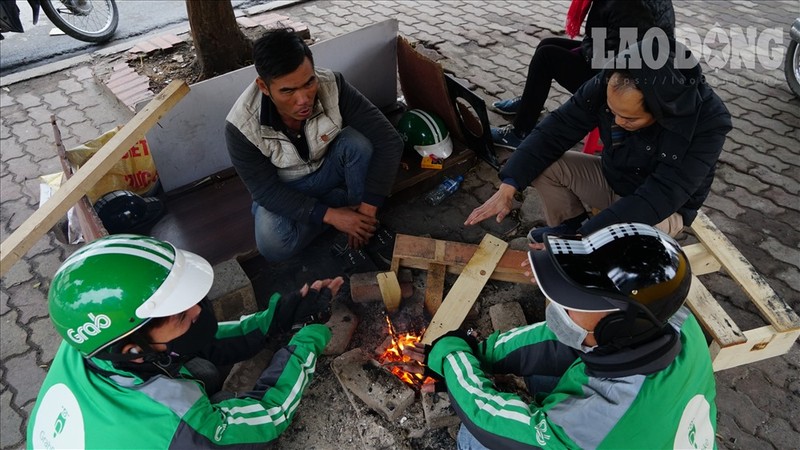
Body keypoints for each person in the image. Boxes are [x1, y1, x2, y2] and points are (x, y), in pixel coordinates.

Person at [409, 223, 717, 449]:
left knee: (474, 441)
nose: (559, 308)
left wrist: (453, 357)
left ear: (618, 325)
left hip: (615, 435)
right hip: (646, 428)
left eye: (574, 304)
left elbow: (485, 419)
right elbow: (557, 340)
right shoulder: (673, 319)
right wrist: (478, 351)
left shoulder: (594, 426)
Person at [27, 234, 342, 449]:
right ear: (133, 351)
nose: (196, 309)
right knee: (216, 418)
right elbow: (271, 414)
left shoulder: (93, 342)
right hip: (153, 436)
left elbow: (200, 340)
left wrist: (278, 318)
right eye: (178, 315)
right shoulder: (172, 423)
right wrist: (304, 345)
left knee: (201, 371)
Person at [467, 37, 732, 242]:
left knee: (611, 251)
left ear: (662, 110)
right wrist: (509, 184)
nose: (616, 122)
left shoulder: (707, 122)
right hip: (615, 176)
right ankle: (568, 227)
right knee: (543, 165)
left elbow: (660, 196)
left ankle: (578, 243)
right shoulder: (612, 79)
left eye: (628, 119)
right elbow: (557, 127)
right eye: (611, 111)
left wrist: (586, 237)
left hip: (664, 209)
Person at [225, 27, 403, 263]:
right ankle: (341, 210)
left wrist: (368, 210)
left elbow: (389, 141)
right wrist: (330, 216)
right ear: (263, 87)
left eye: (309, 83)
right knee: (273, 244)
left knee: (357, 144)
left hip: (329, 167)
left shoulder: (333, 85)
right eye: (287, 91)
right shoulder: (241, 126)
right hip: (287, 185)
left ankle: (356, 215)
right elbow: (266, 192)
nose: (303, 100)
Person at [491, 0, 676, 150]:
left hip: (626, 86)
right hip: (618, 62)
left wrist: (585, 50)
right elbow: (605, 41)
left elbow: (610, 60)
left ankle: (520, 133)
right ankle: (529, 104)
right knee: (547, 45)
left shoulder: (629, 6)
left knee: (546, 57)